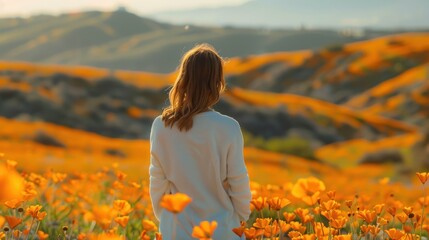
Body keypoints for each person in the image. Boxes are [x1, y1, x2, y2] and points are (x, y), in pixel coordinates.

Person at [149, 43, 252, 239]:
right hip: (221, 230)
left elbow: (157, 181)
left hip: (176, 230)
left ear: (183, 79)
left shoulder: (161, 126)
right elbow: (238, 181)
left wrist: (166, 219)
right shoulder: (228, 127)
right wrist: (240, 219)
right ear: (217, 83)